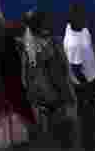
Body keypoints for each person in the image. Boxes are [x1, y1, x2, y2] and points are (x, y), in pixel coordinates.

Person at [0, 10, 36, 147]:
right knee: (19, 107)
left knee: (7, 111)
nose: (1, 20)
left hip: (2, 82)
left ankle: (14, 135)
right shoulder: (1, 36)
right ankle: (22, 134)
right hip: (9, 81)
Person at [20, 10, 69, 141]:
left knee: (48, 111)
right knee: (57, 113)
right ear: (40, 25)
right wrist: (64, 90)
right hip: (50, 87)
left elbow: (27, 69)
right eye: (45, 20)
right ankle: (61, 136)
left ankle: (53, 131)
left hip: (39, 87)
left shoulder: (28, 38)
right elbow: (54, 71)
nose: (49, 22)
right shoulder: (44, 45)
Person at [63, 2, 95, 151]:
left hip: (91, 76)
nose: (85, 18)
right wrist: (85, 85)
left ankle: (92, 128)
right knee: (86, 112)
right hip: (84, 83)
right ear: (74, 20)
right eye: (81, 17)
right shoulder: (74, 43)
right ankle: (88, 143)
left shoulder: (81, 29)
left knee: (90, 107)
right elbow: (76, 68)